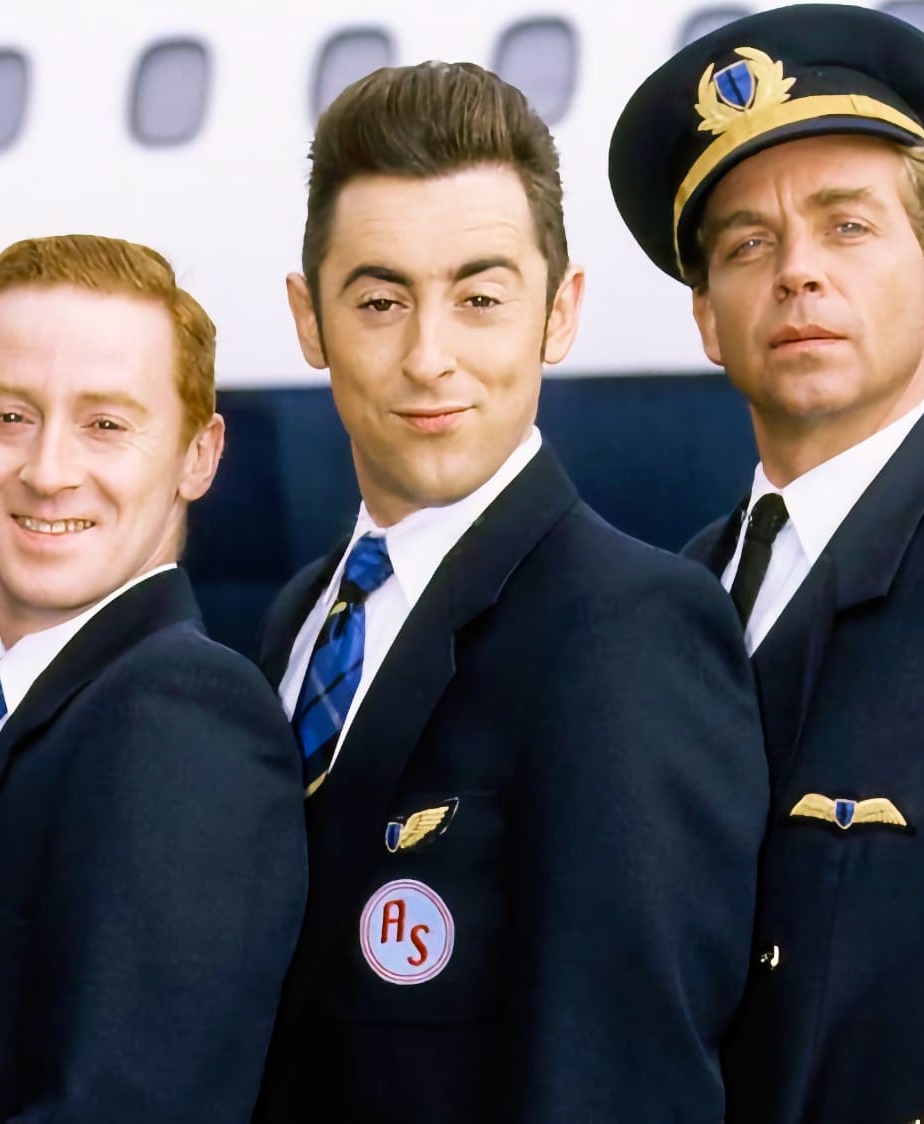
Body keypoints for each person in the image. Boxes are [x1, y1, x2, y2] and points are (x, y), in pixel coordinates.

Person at [252, 61, 768, 1122]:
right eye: (379, 299)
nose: (428, 357)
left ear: (558, 311)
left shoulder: (628, 629)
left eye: (480, 298)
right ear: (309, 321)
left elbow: (626, 1080)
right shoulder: (299, 621)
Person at [609, 6, 924, 1121]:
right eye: (746, 245)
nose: (794, 276)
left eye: (845, 227)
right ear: (705, 323)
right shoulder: (666, 601)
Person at [0, 233, 305, 1122]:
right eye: (9, 417)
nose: (47, 471)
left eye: (105, 424)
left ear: (199, 454)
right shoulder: (17, 714)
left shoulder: (184, 716)